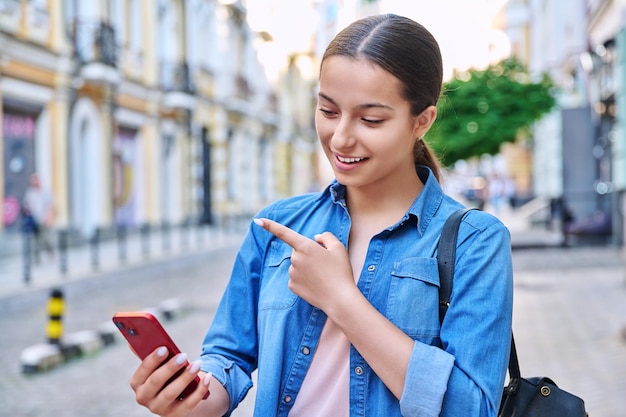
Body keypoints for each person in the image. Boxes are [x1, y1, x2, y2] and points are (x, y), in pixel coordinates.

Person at [130, 14, 513, 417]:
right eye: (328, 111)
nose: (341, 137)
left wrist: (342, 299)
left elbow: (472, 408)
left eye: (370, 119)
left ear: (422, 121)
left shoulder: (476, 240)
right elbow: (228, 358)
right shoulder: (276, 226)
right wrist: (189, 397)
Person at [22, 172, 56, 263]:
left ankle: (51, 254)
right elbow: (27, 206)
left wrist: (49, 217)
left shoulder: (46, 192)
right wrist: (29, 213)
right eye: (32, 181)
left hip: (44, 219)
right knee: (36, 241)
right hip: (35, 220)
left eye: (35, 180)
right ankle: (37, 259)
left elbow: (50, 206)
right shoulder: (30, 192)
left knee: (47, 239)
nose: (34, 183)